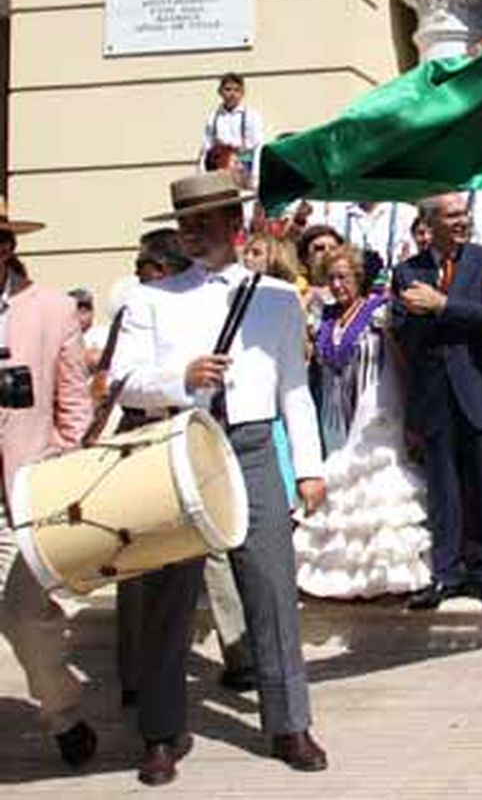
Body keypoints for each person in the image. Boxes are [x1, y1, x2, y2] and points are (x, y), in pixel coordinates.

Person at [114, 171, 329, 784]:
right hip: (181, 447)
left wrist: (309, 469)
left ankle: (289, 723)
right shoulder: (149, 297)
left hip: (255, 445)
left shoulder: (278, 298)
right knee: (167, 594)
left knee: (271, 586)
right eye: (186, 223)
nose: (192, 232)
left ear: (235, 228)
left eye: (205, 222)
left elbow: (295, 387)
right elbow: (123, 379)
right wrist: (180, 376)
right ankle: (159, 732)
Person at [0, 200, 98, 769]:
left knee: (24, 616)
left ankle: (62, 712)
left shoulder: (51, 309)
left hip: (27, 492)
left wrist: (59, 465)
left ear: (7, 246)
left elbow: (74, 404)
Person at [392, 193, 482, 611]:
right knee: (443, 489)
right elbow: (405, 334)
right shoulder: (407, 272)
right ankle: (448, 573)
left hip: (481, 388)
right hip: (435, 393)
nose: (462, 221)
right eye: (452, 215)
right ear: (430, 223)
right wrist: (413, 314)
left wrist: (441, 305)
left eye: (464, 213)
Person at [295, 246, 430, 598]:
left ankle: (386, 574)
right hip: (334, 413)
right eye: (332, 278)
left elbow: (402, 360)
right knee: (339, 492)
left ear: (359, 278)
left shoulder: (378, 313)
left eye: (345, 277)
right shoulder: (323, 317)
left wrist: (412, 411)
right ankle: (342, 575)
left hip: (376, 408)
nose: (338, 285)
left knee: (376, 491)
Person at [198, 72, 266, 184]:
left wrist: (256, 177)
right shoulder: (213, 117)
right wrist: (202, 176)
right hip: (219, 172)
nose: (232, 94)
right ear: (220, 92)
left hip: (244, 170)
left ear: (242, 93)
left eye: (236, 90)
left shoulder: (251, 116)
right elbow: (206, 149)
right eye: (228, 89)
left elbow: (258, 147)